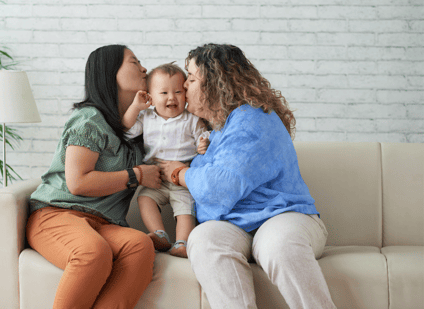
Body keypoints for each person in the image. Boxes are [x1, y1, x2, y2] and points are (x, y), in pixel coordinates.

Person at [159, 43, 337, 309]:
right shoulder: (219, 129)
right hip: (236, 225)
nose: (184, 85)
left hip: (281, 216)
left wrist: (179, 172)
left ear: (216, 84)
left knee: (278, 245)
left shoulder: (252, 119)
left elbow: (218, 189)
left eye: (192, 79)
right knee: (204, 239)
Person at [27, 44, 162, 309]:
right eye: (135, 62)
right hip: (57, 215)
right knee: (92, 252)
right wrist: (136, 175)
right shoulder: (89, 119)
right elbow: (78, 182)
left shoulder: (138, 126)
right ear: (110, 73)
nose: (144, 68)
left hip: (103, 223)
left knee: (139, 246)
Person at [122, 63, 210, 258]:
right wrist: (136, 107)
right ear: (150, 98)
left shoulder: (191, 119)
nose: (171, 97)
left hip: (182, 179)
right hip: (156, 179)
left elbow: (204, 137)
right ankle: (159, 234)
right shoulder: (146, 117)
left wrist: (203, 144)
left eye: (178, 91)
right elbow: (126, 130)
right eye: (164, 93)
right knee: (145, 199)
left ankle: (182, 243)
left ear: (186, 94)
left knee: (185, 209)